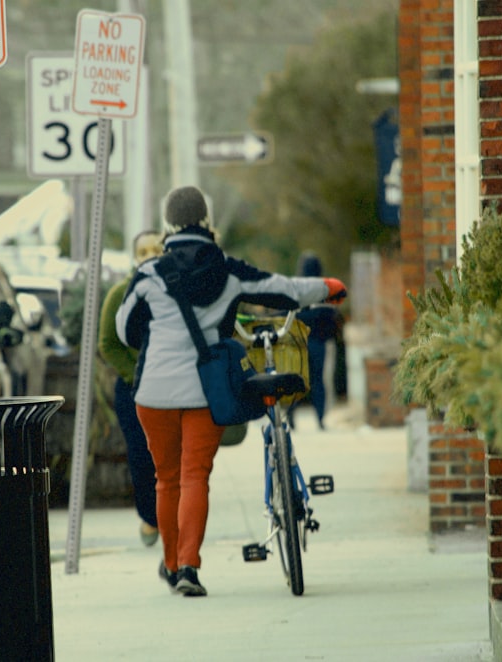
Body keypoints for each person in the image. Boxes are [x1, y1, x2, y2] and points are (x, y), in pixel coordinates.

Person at [115, 186, 347, 597]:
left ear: (168, 225)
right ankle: (188, 566)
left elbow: (124, 328)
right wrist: (327, 287)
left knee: (166, 479)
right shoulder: (227, 270)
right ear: (207, 222)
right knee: (194, 477)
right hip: (206, 391)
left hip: (153, 393)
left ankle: (171, 566)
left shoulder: (150, 273)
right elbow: (283, 289)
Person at [98, 230, 163, 547]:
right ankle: (151, 518)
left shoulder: (174, 292)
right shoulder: (120, 293)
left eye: (157, 249)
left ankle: (172, 516)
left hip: (171, 385)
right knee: (141, 455)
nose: (150, 255)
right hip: (133, 389)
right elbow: (108, 344)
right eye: (143, 250)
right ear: (134, 256)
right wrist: (135, 373)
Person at [289, 252, 343, 430]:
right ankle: (320, 419)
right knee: (318, 382)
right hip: (319, 342)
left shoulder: (295, 288)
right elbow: (333, 317)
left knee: (296, 381)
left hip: (299, 344)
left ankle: (291, 418)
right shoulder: (324, 289)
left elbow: (288, 316)